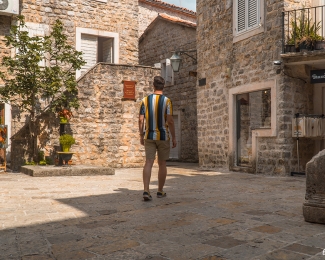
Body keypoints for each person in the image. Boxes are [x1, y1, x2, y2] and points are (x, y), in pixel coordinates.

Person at [138, 76, 177, 201]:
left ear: (153, 86)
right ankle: (160, 191)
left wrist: (141, 134)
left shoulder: (145, 100)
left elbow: (140, 119)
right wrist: (174, 137)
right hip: (163, 136)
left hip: (149, 136)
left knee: (148, 162)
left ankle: (146, 190)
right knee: (162, 164)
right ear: (163, 86)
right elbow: (170, 121)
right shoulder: (167, 101)